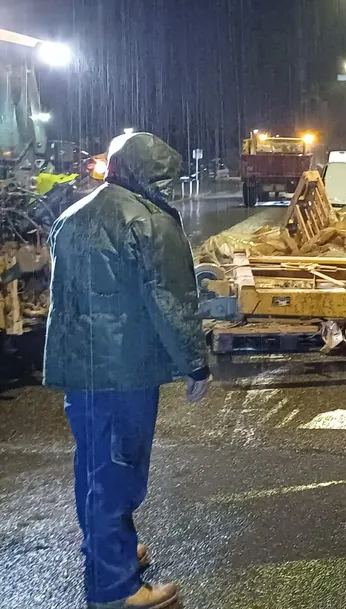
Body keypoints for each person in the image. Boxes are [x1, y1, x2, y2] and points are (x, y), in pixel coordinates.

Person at [43, 132, 210, 609]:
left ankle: (109, 553)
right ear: (150, 174)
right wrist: (194, 362)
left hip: (82, 368)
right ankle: (114, 590)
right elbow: (171, 299)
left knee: (96, 466)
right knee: (117, 474)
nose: (170, 187)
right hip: (125, 370)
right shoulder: (150, 221)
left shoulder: (74, 215)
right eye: (166, 178)